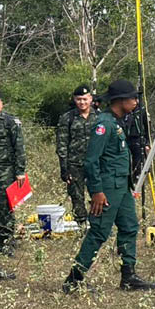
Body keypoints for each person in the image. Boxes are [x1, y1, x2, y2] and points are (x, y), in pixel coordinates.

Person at [62, 79, 155, 294]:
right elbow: (91, 161)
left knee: (130, 226)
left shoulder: (119, 122)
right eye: (132, 98)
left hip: (122, 186)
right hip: (106, 188)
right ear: (120, 100)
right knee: (98, 232)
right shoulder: (103, 125)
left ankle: (128, 276)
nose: (135, 101)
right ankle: (74, 279)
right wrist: (97, 191)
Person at [0, 87, 24, 274]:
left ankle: (4, 241)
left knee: (4, 207)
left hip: (5, 172)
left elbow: (19, 147)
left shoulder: (10, 122)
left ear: (1, 104)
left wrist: (20, 172)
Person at [56, 85, 99, 230]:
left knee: (98, 194)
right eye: (79, 99)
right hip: (75, 164)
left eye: (85, 99)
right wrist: (64, 168)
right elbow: (62, 144)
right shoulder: (67, 118)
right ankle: (81, 226)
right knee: (77, 196)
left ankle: (98, 225)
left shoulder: (100, 117)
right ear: (74, 100)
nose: (82, 102)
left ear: (91, 99)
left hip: (96, 164)